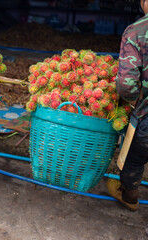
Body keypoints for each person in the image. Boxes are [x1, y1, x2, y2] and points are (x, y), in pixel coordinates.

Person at [107, 0, 148, 211]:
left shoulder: (137, 31)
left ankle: (130, 197)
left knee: (132, 158)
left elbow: (126, 83)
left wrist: (131, 98)